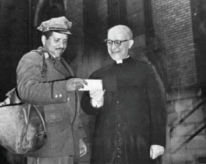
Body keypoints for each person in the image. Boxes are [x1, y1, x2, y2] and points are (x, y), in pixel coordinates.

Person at [81, 25, 167, 164]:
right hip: (106, 148)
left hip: (138, 144)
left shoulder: (145, 71)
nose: (113, 46)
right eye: (109, 42)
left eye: (118, 42)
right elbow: (86, 107)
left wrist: (158, 141)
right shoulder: (97, 75)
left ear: (130, 43)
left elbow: (157, 107)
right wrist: (95, 102)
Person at [17, 16, 87, 164]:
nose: (61, 45)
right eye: (57, 40)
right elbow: (26, 91)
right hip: (45, 146)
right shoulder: (33, 59)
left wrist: (79, 137)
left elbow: (72, 105)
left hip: (65, 145)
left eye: (65, 41)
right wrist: (64, 86)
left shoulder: (63, 64)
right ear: (44, 40)